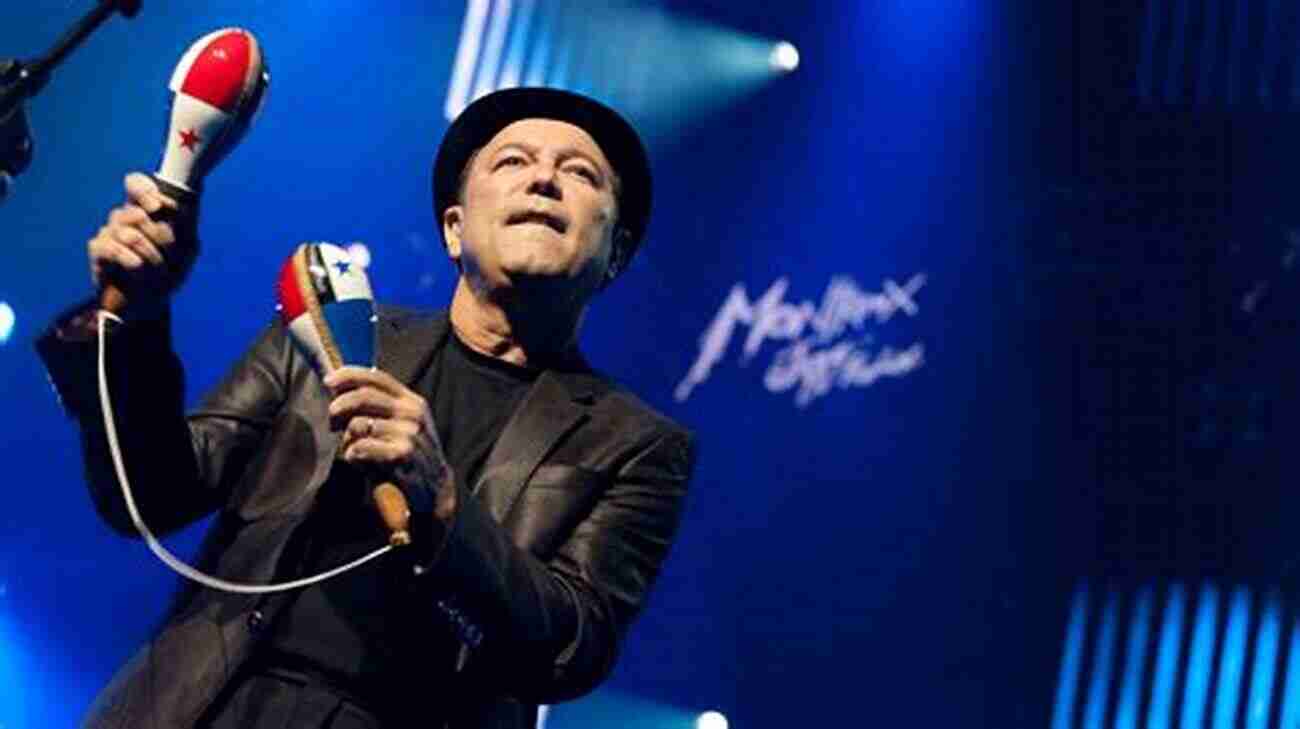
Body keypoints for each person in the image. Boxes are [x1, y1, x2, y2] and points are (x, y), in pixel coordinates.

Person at [36, 87, 695, 729]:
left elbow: (571, 646)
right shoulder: (325, 329)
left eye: (580, 173)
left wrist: (443, 502)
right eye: (513, 162)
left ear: (616, 255)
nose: (545, 179)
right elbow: (151, 494)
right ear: (454, 229)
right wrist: (140, 322)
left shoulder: (633, 442)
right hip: (210, 702)